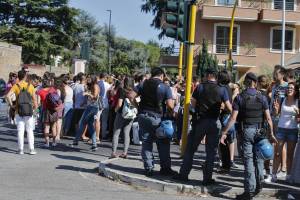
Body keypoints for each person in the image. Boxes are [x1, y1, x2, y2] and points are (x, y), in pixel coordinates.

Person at [221, 72, 277, 200]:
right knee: (259, 159)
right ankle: (259, 184)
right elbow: (268, 118)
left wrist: (223, 133)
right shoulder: (262, 97)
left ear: (247, 82)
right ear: (255, 82)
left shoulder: (240, 97)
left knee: (248, 161)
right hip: (260, 132)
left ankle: (249, 191)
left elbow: (233, 118)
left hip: (246, 131)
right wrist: (272, 134)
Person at [174, 68, 232, 185]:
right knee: (211, 152)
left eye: (205, 74)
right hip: (215, 123)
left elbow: (193, 104)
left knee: (190, 149)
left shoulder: (200, 87)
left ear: (209, 75)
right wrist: (221, 108)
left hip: (200, 121)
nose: (204, 76)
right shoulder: (222, 89)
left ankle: (184, 174)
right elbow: (230, 108)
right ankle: (207, 178)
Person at [137, 67, 175, 177]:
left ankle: (149, 168)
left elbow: (131, 95)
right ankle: (165, 168)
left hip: (143, 116)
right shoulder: (164, 87)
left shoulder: (143, 84)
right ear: (162, 75)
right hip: (157, 118)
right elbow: (170, 105)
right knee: (163, 143)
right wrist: (171, 113)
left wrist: (138, 107)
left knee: (146, 142)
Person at [271, 82, 299, 183]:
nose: (289, 89)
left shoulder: (298, 102)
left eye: (291, 88)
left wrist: (298, 114)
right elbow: (276, 114)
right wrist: (276, 109)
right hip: (281, 129)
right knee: (277, 153)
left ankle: (288, 175)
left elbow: (299, 118)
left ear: (295, 90)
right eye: (288, 88)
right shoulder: (282, 99)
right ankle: (273, 175)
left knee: (290, 155)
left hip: (293, 130)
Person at [6, 70, 38, 155]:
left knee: (20, 131)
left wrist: (12, 105)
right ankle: (31, 149)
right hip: (29, 111)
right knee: (30, 130)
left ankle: (21, 150)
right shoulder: (30, 86)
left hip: (18, 111)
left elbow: (7, 96)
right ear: (25, 77)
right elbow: (35, 100)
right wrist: (35, 109)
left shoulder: (16, 86)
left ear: (18, 77)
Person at [265, 65, 288, 182]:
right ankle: (273, 167)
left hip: (281, 118)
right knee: (272, 141)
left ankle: (283, 168)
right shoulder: (274, 86)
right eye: (274, 73)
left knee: (281, 144)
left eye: (277, 73)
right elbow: (271, 101)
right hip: (273, 117)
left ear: (282, 75)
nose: (275, 75)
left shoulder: (287, 87)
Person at [71, 75, 101, 151]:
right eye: (87, 79)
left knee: (82, 123)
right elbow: (89, 98)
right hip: (90, 107)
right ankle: (94, 144)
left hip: (92, 107)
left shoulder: (95, 86)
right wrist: (84, 102)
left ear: (93, 79)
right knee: (90, 125)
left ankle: (76, 141)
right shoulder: (91, 86)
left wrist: (87, 94)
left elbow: (94, 97)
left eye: (89, 79)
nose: (88, 80)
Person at [111, 77, 137, 158]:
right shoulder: (134, 91)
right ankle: (125, 152)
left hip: (121, 113)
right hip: (131, 115)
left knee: (116, 133)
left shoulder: (121, 90)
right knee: (127, 133)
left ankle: (113, 153)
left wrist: (116, 110)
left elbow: (119, 103)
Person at [98, 73, 111, 140]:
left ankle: (96, 134)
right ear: (105, 77)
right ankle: (103, 135)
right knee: (104, 120)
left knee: (97, 119)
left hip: (98, 103)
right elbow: (108, 96)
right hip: (105, 103)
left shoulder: (97, 83)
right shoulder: (108, 85)